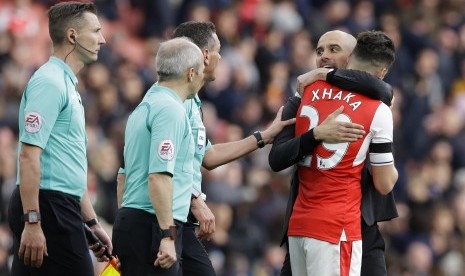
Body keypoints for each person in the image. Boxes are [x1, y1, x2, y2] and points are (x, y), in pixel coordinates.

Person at [116, 22, 365, 276]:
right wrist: (176, 220)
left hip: (164, 221)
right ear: (203, 57)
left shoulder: (175, 103)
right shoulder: (170, 108)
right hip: (155, 222)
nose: (222, 57)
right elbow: (158, 174)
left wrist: (263, 137)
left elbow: (206, 156)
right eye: (218, 50)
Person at [269, 30, 399, 276]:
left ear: (352, 57)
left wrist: (323, 75)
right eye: (319, 51)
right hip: (333, 222)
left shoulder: (308, 91)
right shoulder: (305, 93)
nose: (324, 56)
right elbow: (276, 159)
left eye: (333, 49)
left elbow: (381, 88)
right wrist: (316, 134)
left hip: (352, 220)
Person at [7, 2, 110, 275]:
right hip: (46, 204)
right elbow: (29, 154)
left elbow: (70, 166)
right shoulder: (49, 82)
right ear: (73, 36)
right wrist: (32, 220)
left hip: (57, 204)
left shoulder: (66, 84)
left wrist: (90, 220)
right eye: (96, 31)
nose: (103, 39)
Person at [112, 37, 205, 275]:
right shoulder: (171, 110)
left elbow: (123, 177)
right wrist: (167, 235)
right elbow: (159, 177)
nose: (204, 76)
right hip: (152, 226)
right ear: (191, 73)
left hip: (131, 220)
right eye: (202, 70)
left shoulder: (142, 108)